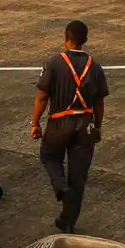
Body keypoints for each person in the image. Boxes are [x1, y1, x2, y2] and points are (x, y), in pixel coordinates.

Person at [30, 20, 108, 234]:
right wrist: (97, 127)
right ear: (85, 41)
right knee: (78, 176)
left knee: (49, 156)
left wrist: (35, 122)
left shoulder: (54, 62)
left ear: (66, 38)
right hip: (86, 125)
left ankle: (60, 186)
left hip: (59, 124)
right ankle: (68, 221)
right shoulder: (95, 66)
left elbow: (42, 96)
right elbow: (99, 102)